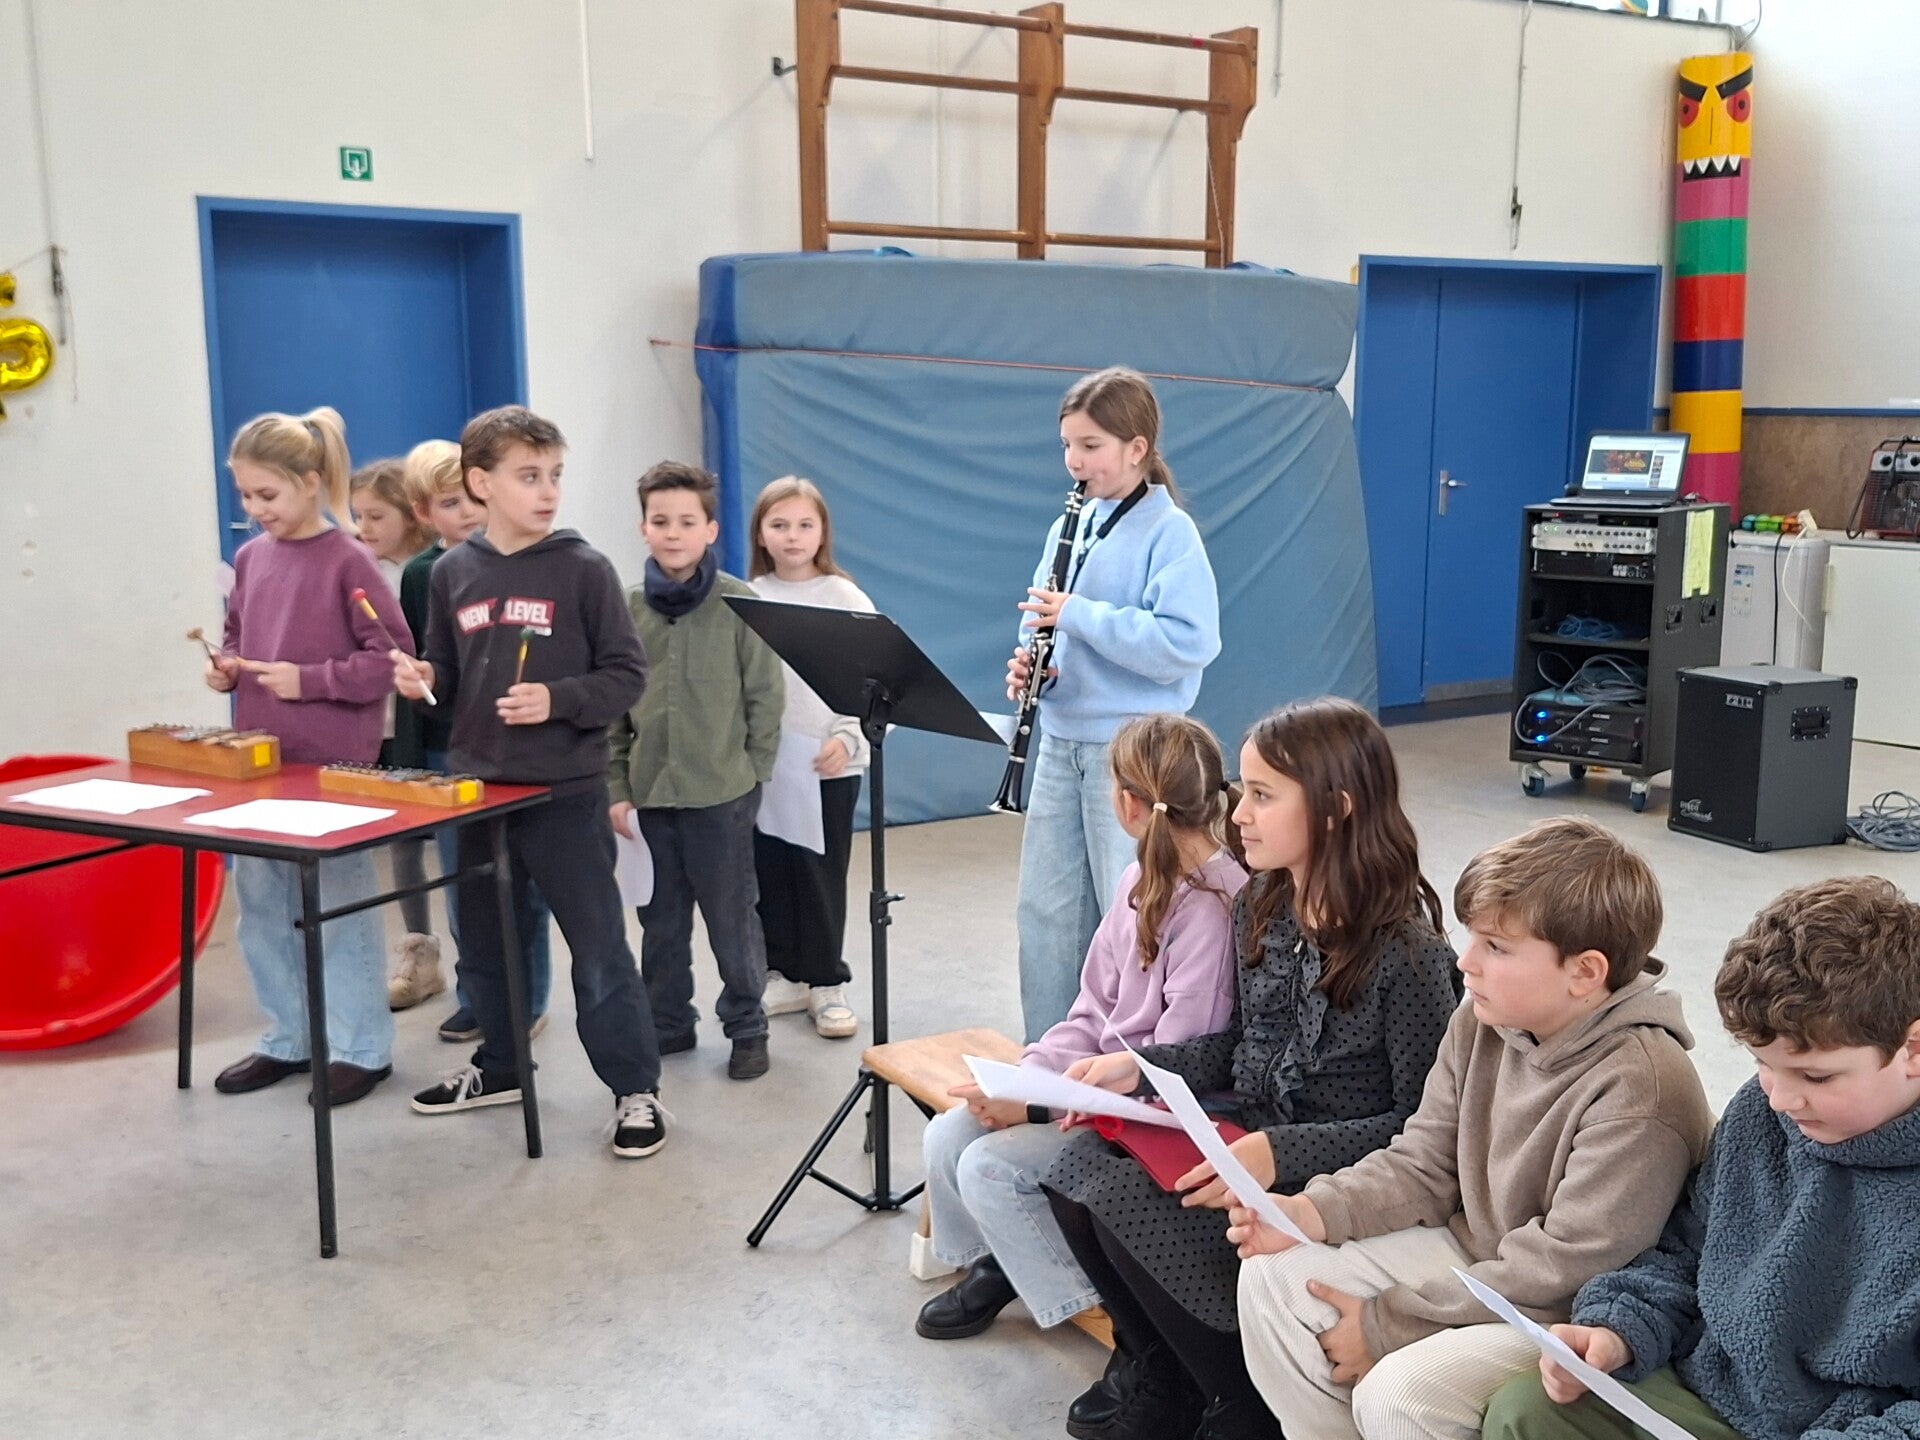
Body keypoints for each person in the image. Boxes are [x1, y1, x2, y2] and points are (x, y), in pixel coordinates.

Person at [1041, 698, 1461, 1440]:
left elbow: (1420, 1130)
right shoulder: (1264, 903)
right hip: (1252, 1134)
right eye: (1243, 790)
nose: (1238, 814)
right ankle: (1163, 1371)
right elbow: (1238, 1046)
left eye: (1263, 795)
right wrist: (1136, 1069)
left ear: (1336, 809)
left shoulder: (1410, 954)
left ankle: (1235, 1400)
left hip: (1334, 1171)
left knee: (1131, 1202)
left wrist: (1276, 1154)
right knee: (1076, 1172)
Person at [1229, 815, 1713, 1440]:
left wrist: (1388, 1324)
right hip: (1481, 1257)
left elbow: (1561, 1271)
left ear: (1585, 972)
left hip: (1566, 1313)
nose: (1465, 961)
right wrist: (1311, 1211)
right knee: (1271, 1275)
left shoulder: (1642, 1086)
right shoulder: (1485, 1017)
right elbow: (1424, 1161)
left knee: (1398, 1397)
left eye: (1496, 947)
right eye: (1472, 938)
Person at [1481, 874, 1920, 1440]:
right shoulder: (1761, 1113)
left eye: (1815, 1076)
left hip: (1859, 1427)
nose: (1781, 1099)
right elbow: (1689, 1249)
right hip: (1717, 1392)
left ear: (1912, 1049)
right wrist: (1618, 1330)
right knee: (1527, 1411)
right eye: (1763, 1065)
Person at [918, 713, 1247, 1344]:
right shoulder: (1138, 878)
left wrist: (1038, 1108)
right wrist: (1024, 1080)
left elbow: (1174, 1074)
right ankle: (1005, 1262)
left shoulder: (1213, 909)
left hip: (1150, 1116)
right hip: (1095, 1093)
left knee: (988, 1167)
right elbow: (1091, 1011)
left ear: (1127, 803)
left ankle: (1104, 1302)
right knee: (947, 1135)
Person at [398, 406, 666, 1158]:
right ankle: (502, 1067)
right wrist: (424, 679)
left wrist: (559, 699)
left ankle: (635, 1088)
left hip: (564, 795)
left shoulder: (584, 570)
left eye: (554, 475)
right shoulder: (451, 572)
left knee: (598, 950)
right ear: (481, 483)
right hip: (480, 795)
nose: (547, 491)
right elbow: (447, 675)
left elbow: (627, 675)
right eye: (528, 476)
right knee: (486, 947)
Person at [1008, 366, 1221, 1043]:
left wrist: (1080, 615)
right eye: (1067, 445)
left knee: (1128, 910)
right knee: (1046, 915)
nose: (1075, 461)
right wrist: (1037, 670)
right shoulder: (1067, 526)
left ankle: (1126, 1061)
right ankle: (1049, 1058)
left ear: (1137, 448)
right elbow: (1044, 621)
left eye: (1090, 445)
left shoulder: (1169, 532)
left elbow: (1188, 643)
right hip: (1062, 741)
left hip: (1131, 753)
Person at [206, 406, 408, 1107]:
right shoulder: (251, 558)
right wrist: (228, 666)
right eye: (245, 495)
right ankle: (289, 1036)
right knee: (262, 906)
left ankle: (361, 1048)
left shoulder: (350, 559)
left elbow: (393, 660)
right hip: (260, 761)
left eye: (268, 494)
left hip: (332, 768)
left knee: (340, 907)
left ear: (312, 482)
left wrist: (312, 680)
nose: (255, 509)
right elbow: (239, 632)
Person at [607, 461, 784, 1081]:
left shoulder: (740, 603)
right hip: (650, 796)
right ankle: (668, 1023)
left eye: (687, 521)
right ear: (644, 528)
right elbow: (613, 708)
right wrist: (617, 785)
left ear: (710, 530)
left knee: (732, 918)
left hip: (722, 793)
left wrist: (752, 774)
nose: (673, 533)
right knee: (659, 921)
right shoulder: (627, 608)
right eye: (661, 521)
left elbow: (765, 696)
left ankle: (747, 1025)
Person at [385, 438, 554, 1035]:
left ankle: (529, 999)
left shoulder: (524, 562)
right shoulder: (424, 574)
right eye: (449, 503)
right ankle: (478, 994)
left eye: (471, 499)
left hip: (511, 747)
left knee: (519, 881)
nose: (467, 514)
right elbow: (429, 662)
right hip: (448, 749)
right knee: (465, 882)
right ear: (424, 512)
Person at [746, 475, 873, 1040]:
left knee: (820, 875)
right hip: (767, 766)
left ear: (822, 532)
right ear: (761, 534)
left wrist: (847, 739)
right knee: (771, 870)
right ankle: (784, 974)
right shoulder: (748, 596)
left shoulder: (844, 598)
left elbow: (872, 680)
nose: (792, 536)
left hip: (828, 763)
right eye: (779, 525)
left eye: (804, 524)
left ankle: (825, 981)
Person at [349, 456, 441, 1007]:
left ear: (411, 514)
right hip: (377, 730)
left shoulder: (432, 571)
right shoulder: (360, 572)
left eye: (375, 516)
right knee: (403, 846)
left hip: (429, 726)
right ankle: (419, 952)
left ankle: (481, 963)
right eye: (357, 516)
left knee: (451, 844)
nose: (363, 528)